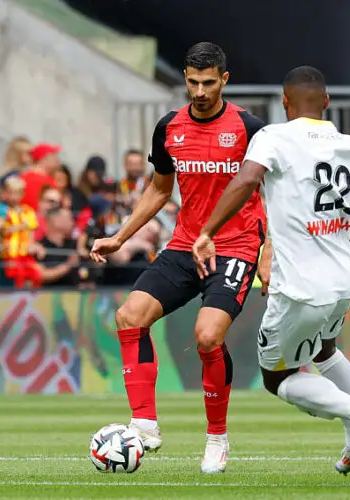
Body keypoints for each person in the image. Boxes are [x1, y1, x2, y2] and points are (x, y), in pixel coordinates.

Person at [191, 66, 350, 473]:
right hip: (342, 283)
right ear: (326, 102)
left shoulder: (274, 137)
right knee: (325, 351)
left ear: (285, 103)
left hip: (299, 290)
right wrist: (342, 233)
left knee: (278, 377)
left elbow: (246, 179)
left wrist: (208, 230)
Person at [90, 42, 265, 474]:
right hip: (187, 244)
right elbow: (159, 189)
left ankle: (217, 438)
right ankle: (145, 424)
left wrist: (269, 249)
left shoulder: (250, 128)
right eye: (192, 82)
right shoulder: (170, 127)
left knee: (207, 337)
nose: (200, 91)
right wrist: (120, 237)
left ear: (224, 79)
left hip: (236, 246)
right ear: (184, 79)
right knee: (130, 316)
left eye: (208, 82)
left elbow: (275, 191)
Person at [0, 176, 42, 289]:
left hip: (24, 253)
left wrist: (31, 244)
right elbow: (3, 230)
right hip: (9, 253)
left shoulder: (28, 211)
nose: (14, 197)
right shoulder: (2, 211)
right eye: (11, 193)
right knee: (14, 280)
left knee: (33, 276)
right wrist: (21, 226)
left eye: (17, 193)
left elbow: (31, 230)